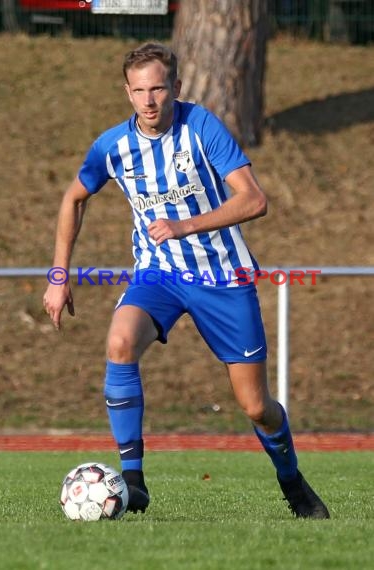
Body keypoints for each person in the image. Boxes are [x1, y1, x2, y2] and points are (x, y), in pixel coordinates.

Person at [43, 42, 329, 519]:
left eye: (158, 88)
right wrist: (58, 275)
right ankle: (132, 484)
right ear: (127, 92)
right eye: (139, 91)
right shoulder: (113, 146)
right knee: (118, 343)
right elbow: (73, 198)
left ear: (176, 87)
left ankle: (293, 483)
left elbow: (254, 200)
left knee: (256, 406)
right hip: (159, 275)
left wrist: (184, 225)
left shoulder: (201, 128)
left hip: (223, 276)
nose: (149, 100)